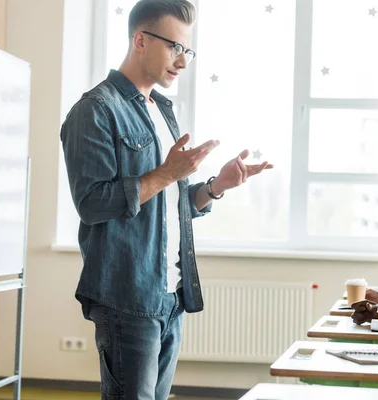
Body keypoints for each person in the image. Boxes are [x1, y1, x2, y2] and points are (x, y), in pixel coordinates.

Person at [60, 1, 272, 399]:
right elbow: (92, 203)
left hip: (171, 296)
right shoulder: (94, 110)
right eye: (175, 47)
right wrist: (166, 174)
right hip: (127, 297)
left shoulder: (161, 110)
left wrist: (214, 187)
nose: (183, 62)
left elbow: (166, 205)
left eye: (187, 51)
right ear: (140, 40)